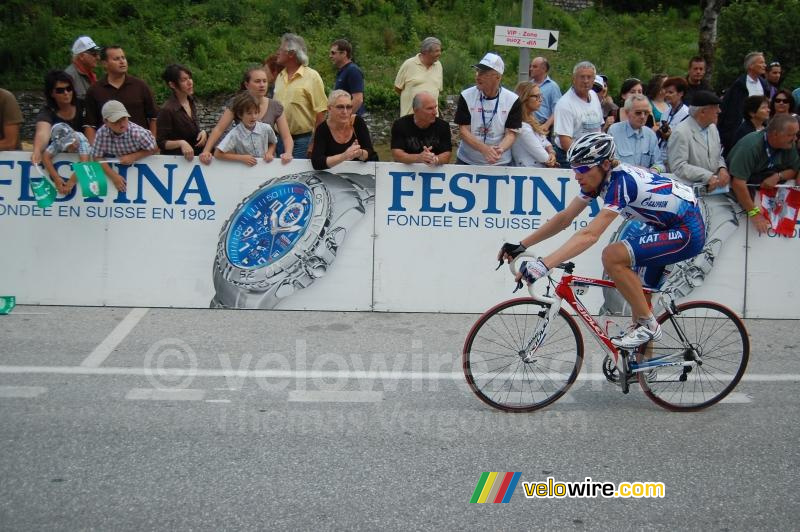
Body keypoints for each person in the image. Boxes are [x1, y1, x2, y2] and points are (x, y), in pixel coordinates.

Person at [499, 132, 705, 349]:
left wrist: (544, 264)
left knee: (612, 256)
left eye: (582, 170)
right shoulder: (598, 180)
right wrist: (522, 245)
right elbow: (565, 218)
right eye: (574, 169)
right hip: (665, 227)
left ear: (605, 164)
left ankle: (649, 326)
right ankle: (641, 364)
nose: (576, 176)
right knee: (641, 305)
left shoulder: (622, 183)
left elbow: (590, 235)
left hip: (687, 231)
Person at [663, 90, 736, 298]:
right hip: (690, 197)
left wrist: (722, 169)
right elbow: (678, 166)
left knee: (726, 224)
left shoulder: (712, 128)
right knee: (692, 238)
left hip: (712, 193)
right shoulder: (681, 132)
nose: (719, 112)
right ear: (703, 112)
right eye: (715, 108)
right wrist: (707, 176)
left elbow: (718, 155)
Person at [200, 66, 293, 165]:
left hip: (267, 162)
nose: (262, 85)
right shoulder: (236, 103)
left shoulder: (275, 106)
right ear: (247, 85)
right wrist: (206, 151)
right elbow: (219, 129)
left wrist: (288, 153)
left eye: (264, 81)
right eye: (257, 81)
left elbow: (286, 136)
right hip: (242, 162)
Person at [728, 113, 800, 234]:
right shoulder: (750, 147)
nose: (795, 139)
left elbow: (794, 170)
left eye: (796, 134)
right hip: (734, 198)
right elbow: (738, 183)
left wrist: (778, 176)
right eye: (790, 135)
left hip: (759, 194)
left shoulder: (788, 145)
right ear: (775, 134)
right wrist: (754, 214)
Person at [454, 52, 522, 166]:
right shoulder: (466, 95)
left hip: (500, 162)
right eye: (477, 71)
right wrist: (484, 149)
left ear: (498, 77)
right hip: (468, 161)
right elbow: (463, 131)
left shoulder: (512, 100)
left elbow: (511, 134)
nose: (478, 76)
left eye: (484, 73)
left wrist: (499, 150)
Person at [83, 46, 158, 145]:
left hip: (139, 147)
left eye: (123, 58)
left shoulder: (140, 86)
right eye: (116, 59)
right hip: (108, 148)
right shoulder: (95, 90)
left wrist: (153, 143)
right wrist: (93, 148)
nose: (122, 61)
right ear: (105, 63)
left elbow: (154, 118)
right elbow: (89, 125)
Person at [273, 33, 328, 159]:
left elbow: (321, 112)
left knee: (298, 172)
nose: (277, 52)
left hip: (303, 141)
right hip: (279, 139)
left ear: (291, 53)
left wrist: (314, 143)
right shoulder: (280, 76)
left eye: (281, 49)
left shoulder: (312, 77)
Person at [91, 100, 157, 192]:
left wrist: (134, 156)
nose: (122, 124)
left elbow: (154, 148)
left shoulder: (138, 133)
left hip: (141, 169)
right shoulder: (101, 133)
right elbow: (97, 156)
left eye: (124, 118)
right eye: (116, 121)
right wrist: (113, 176)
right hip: (115, 171)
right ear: (106, 122)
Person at [552, 61, 603, 166]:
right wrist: (585, 160)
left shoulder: (594, 95)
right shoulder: (565, 104)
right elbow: (565, 141)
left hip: (592, 155)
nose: (586, 81)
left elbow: (598, 128)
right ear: (574, 79)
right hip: (569, 156)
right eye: (582, 77)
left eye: (589, 77)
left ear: (594, 79)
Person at [311, 90, 377, 170]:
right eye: (340, 107)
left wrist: (360, 153)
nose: (345, 112)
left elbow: (370, 152)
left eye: (348, 107)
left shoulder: (357, 122)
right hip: (331, 175)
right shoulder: (322, 129)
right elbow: (317, 162)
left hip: (357, 173)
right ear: (329, 108)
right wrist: (344, 156)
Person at [30, 70, 86, 165]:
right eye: (60, 90)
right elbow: (42, 132)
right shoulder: (47, 112)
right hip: (56, 157)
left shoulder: (84, 106)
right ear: (51, 93)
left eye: (69, 88)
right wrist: (37, 150)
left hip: (84, 154)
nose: (66, 93)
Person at [718, 51, 769, 152]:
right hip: (741, 129)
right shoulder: (739, 85)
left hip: (759, 128)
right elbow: (729, 109)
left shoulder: (764, 84)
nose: (765, 65)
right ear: (751, 66)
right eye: (761, 62)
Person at [156, 64, 207, 161]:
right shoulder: (167, 110)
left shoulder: (190, 101)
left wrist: (203, 132)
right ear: (172, 85)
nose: (190, 82)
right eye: (184, 80)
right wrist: (181, 143)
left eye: (190, 78)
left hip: (194, 159)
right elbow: (160, 142)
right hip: (175, 161)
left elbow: (192, 129)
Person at [214, 92, 277, 166]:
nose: (253, 116)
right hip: (244, 170)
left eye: (256, 112)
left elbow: (273, 142)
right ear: (240, 114)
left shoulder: (266, 128)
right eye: (249, 113)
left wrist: (269, 153)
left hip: (264, 168)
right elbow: (217, 154)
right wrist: (241, 158)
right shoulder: (235, 133)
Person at [390, 91, 452, 165]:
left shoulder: (443, 126)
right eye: (429, 108)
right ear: (416, 110)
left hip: (433, 169)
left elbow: (447, 155)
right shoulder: (400, 125)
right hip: (407, 169)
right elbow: (397, 154)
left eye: (435, 107)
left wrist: (435, 159)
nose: (435, 112)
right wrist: (418, 158)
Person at [608, 94, 665, 172]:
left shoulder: (650, 134)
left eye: (646, 113)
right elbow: (612, 163)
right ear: (627, 112)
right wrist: (636, 170)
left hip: (646, 178)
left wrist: (655, 170)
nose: (643, 116)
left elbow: (659, 164)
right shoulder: (614, 131)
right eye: (638, 113)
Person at [510, 81, 557, 168]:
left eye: (541, 96)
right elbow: (544, 158)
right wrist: (551, 157)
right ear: (525, 98)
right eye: (536, 96)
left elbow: (546, 142)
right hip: (529, 172)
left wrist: (551, 152)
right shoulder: (522, 127)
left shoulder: (532, 120)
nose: (540, 100)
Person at [394, 37, 443, 117]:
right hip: (410, 118)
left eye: (440, 50)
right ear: (426, 52)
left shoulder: (438, 65)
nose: (439, 53)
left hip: (432, 118)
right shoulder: (408, 64)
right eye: (437, 51)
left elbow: (438, 90)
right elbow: (397, 88)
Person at [41, 123, 91, 195]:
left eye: (72, 142)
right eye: (68, 146)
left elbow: (84, 163)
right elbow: (45, 157)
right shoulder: (57, 142)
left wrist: (70, 183)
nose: (73, 146)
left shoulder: (81, 139)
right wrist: (56, 178)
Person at [657, 77, 690, 165]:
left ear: (681, 93)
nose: (667, 95)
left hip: (677, 159)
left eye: (670, 92)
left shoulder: (688, 114)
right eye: (666, 92)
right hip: (662, 156)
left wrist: (671, 136)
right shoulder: (665, 113)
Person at [330, 39, 365, 116]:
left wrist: (345, 117)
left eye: (333, 53)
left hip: (352, 120)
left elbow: (358, 99)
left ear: (344, 53)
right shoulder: (343, 71)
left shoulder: (353, 70)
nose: (330, 56)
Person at [527, 56, 561, 133]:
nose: (531, 69)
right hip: (528, 125)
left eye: (534, 67)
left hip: (542, 126)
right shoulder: (528, 85)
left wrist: (546, 125)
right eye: (531, 66)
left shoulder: (552, 87)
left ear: (544, 69)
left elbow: (557, 110)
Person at [64, 36, 101, 103]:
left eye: (98, 54)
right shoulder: (69, 77)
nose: (98, 57)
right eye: (94, 54)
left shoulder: (91, 74)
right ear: (81, 56)